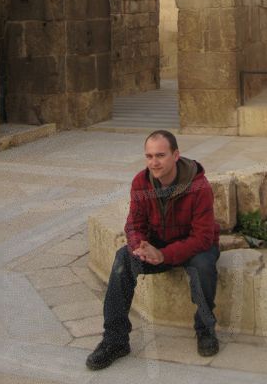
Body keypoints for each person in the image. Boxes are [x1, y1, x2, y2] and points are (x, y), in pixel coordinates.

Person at [86, 129, 220, 370]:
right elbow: (134, 224)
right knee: (123, 260)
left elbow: (203, 237)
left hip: (194, 247)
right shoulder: (141, 182)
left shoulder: (199, 187)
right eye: (148, 156)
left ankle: (205, 329)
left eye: (160, 155)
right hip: (158, 244)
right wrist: (140, 247)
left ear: (175, 155)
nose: (153, 163)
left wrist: (165, 255)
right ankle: (115, 340)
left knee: (203, 265)